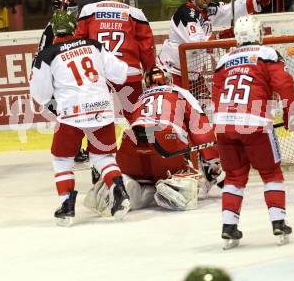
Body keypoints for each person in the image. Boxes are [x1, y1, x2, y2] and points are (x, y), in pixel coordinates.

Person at [212, 15, 294, 249]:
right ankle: (278, 223)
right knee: (271, 172)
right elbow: (284, 85)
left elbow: (216, 95)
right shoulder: (267, 54)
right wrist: (293, 113)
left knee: (234, 176)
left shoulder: (223, 60)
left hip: (223, 124)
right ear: (259, 34)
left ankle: (229, 227)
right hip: (254, 122)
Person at [30, 10, 131, 226]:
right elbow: (121, 73)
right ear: (75, 27)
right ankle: (119, 191)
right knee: (103, 158)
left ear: (55, 31)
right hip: (102, 109)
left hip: (71, 113)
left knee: (62, 160)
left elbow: (40, 95)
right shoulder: (93, 45)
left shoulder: (47, 55)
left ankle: (66, 205)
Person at [84, 66, 224, 213]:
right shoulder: (181, 93)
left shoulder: (140, 98)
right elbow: (201, 130)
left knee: (139, 169)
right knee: (197, 184)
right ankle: (174, 185)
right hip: (166, 152)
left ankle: (129, 184)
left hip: (130, 154)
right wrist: (213, 163)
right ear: (169, 80)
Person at [158, 0, 274, 88]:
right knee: (179, 106)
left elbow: (229, 10)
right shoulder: (186, 14)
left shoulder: (208, 9)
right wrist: (219, 37)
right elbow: (198, 44)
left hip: (192, 73)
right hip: (172, 71)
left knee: (205, 106)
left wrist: (255, 2)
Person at [75, 0, 156, 121]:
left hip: (98, 74)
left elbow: (79, 42)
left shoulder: (89, 10)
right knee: (135, 115)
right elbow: (147, 47)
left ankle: (94, 144)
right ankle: (141, 143)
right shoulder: (135, 13)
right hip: (128, 73)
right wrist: (149, 70)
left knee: (95, 116)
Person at [37, 0, 88, 163]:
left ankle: (73, 149)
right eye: (71, 8)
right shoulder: (59, 27)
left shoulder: (55, 25)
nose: (75, 12)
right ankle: (71, 150)